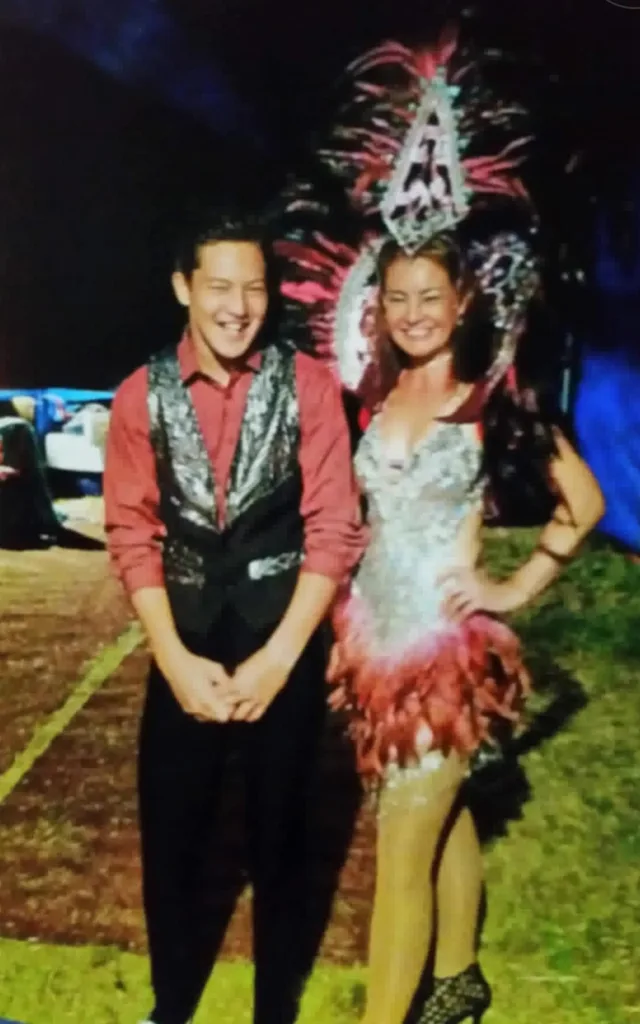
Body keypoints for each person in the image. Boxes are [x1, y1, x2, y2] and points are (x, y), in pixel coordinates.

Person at [326, 231, 605, 1024]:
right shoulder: (374, 399)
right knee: (437, 820)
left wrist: (512, 587)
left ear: (462, 303)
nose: (414, 314)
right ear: (379, 307)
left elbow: (584, 505)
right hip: (374, 654)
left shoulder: (493, 406)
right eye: (398, 298)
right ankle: (458, 980)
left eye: (430, 297)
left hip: (441, 660)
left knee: (400, 855)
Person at [103, 205, 365, 1024]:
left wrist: (281, 659)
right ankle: (171, 1002)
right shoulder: (140, 395)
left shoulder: (309, 386)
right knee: (173, 838)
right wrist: (175, 661)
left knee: (282, 840)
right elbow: (131, 535)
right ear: (184, 288)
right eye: (219, 286)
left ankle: (273, 1006)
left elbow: (334, 528)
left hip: (279, 638)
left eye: (253, 288)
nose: (237, 307)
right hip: (184, 641)